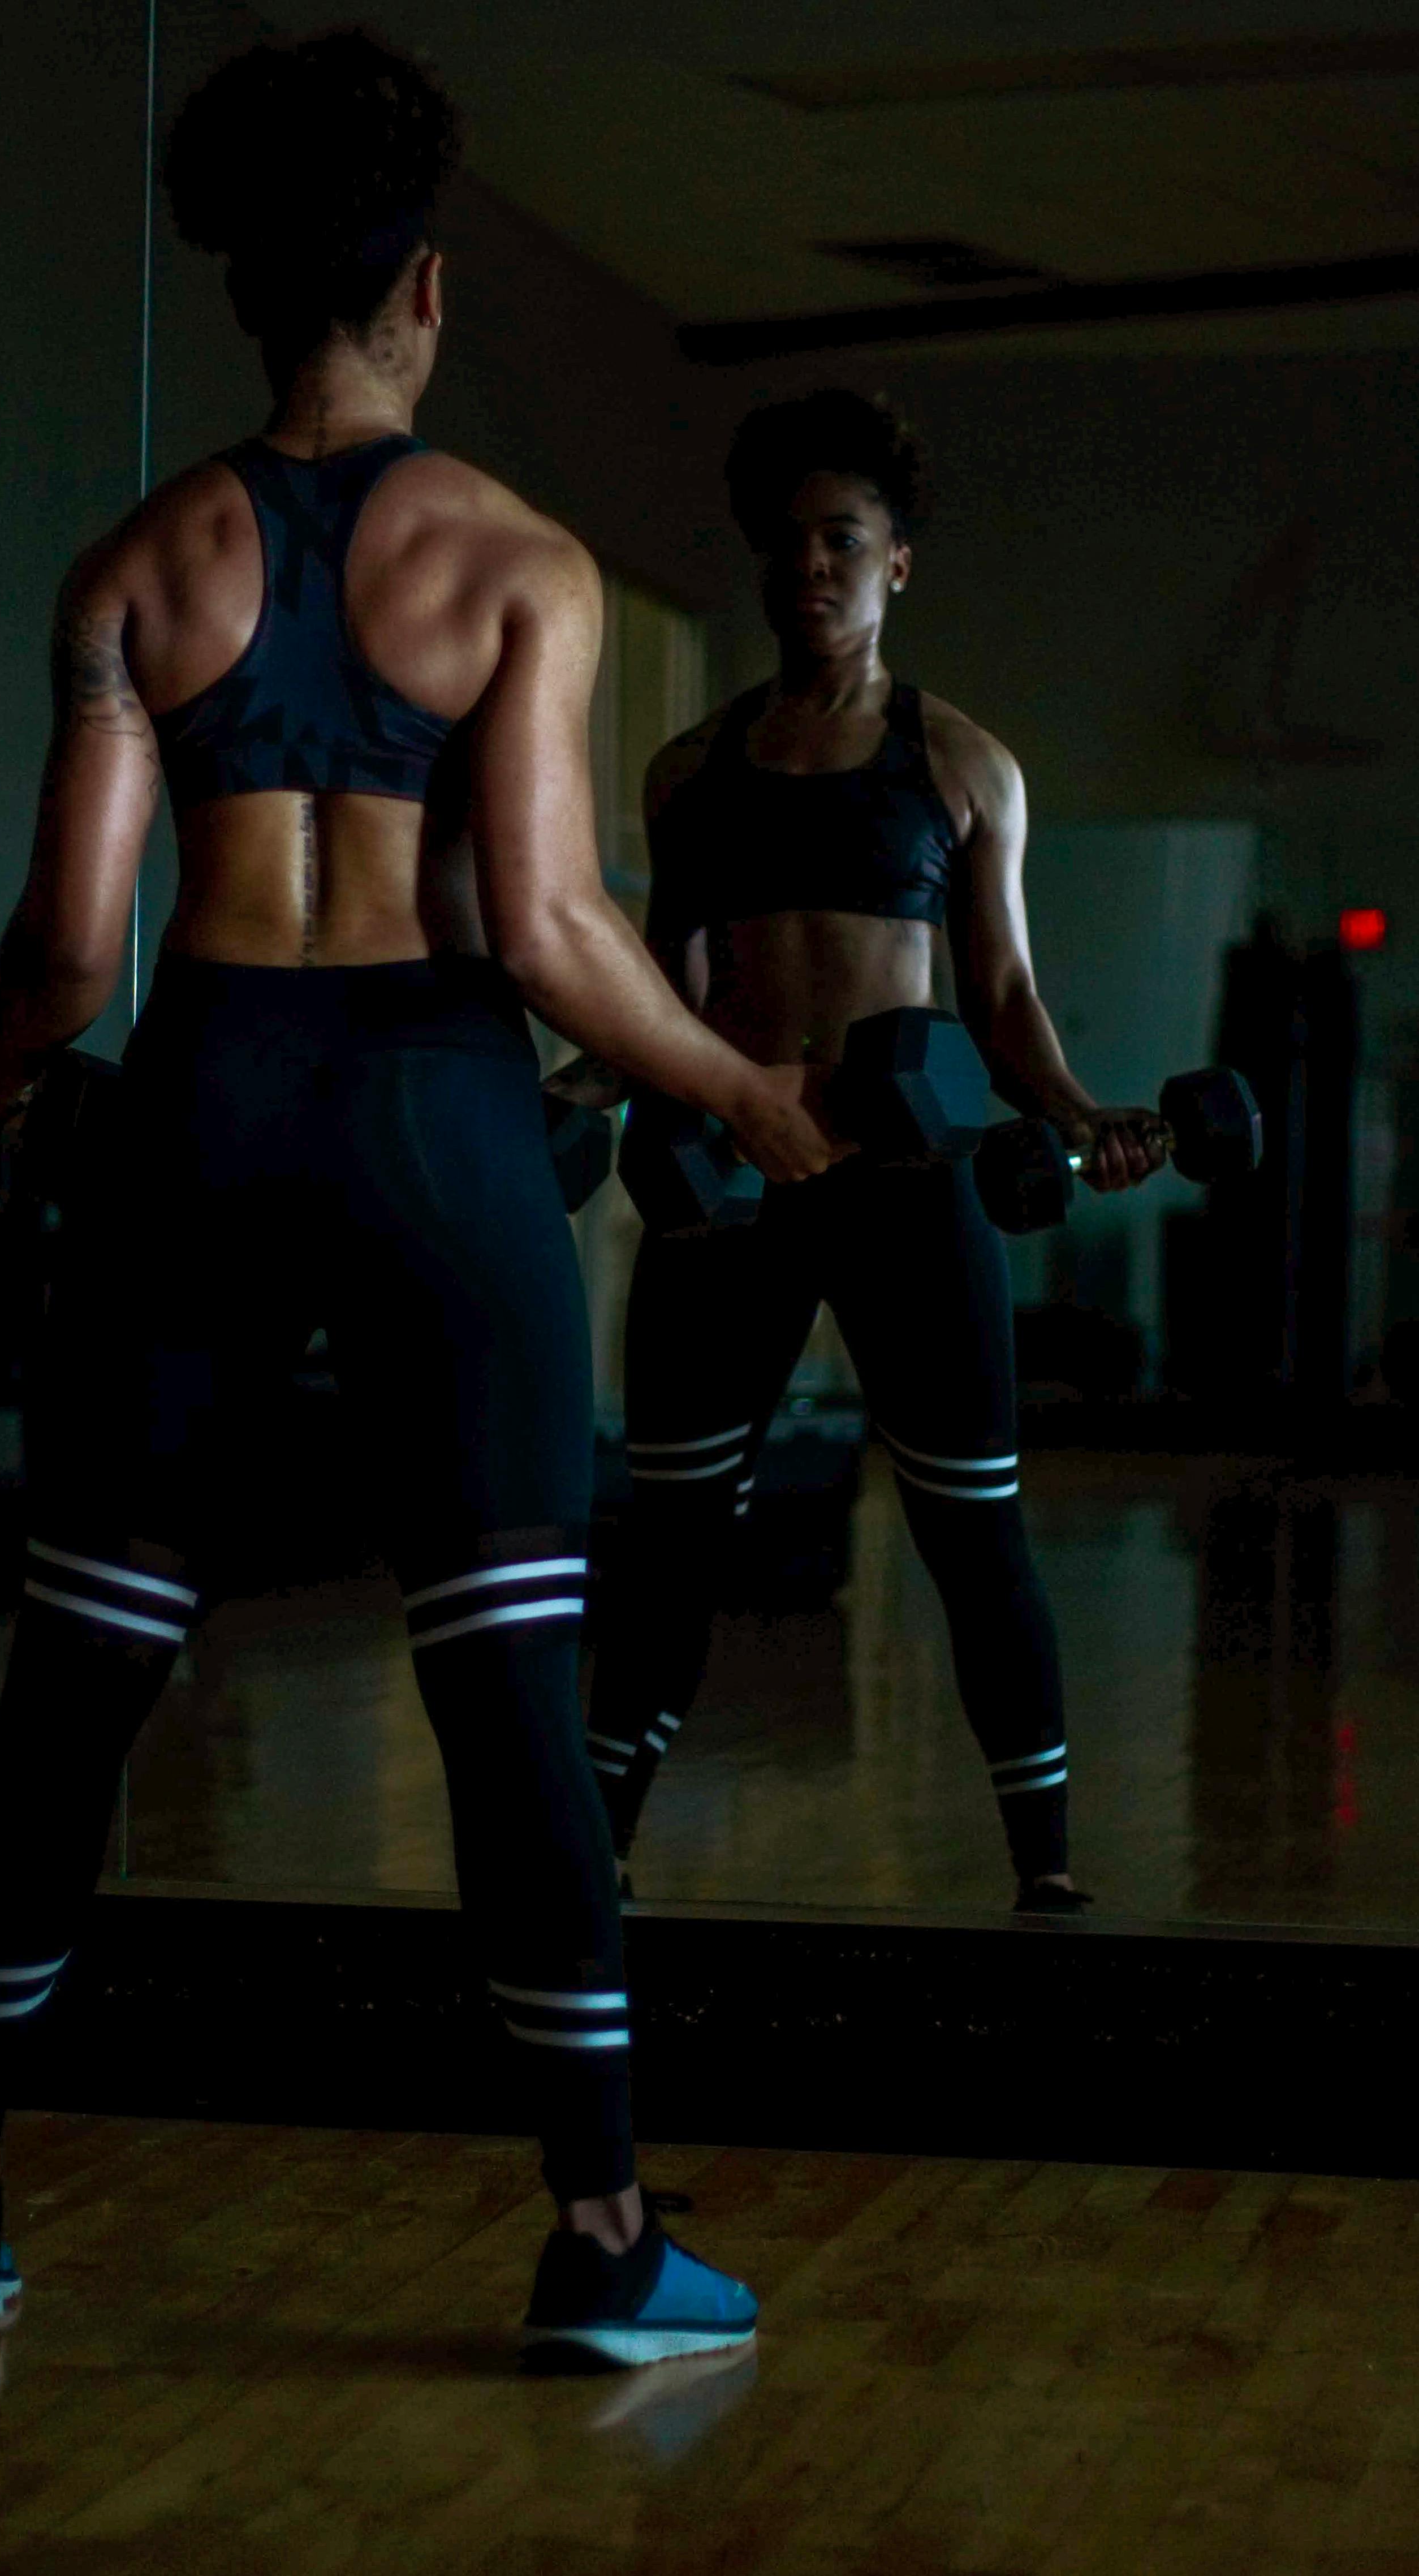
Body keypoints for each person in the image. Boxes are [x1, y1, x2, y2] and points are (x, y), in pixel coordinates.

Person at [0, 32, 836, 2367]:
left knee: (76, 1676)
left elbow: (65, 953)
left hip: (200, 1110)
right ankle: (602, 2240)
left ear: (250, 295)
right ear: (417, 283)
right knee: (510, 1676)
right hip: (432, 1125)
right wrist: (751, 1087)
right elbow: (540, 928)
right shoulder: (514, 561)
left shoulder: (136, 566)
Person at [578, 389, 1165, 1909]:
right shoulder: (687, 772)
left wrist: (1076, 1113)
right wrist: (568, 1090)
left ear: (895, 562)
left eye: (841, 539)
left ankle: (1042, 1868)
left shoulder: (965, 766)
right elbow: (658, 989)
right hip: (732, 1193)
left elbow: (1005, 995)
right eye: (785, 544)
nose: (809, 567)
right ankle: (597, 1853)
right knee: (668, 1543)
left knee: (973, 1539)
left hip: (908, 1193)